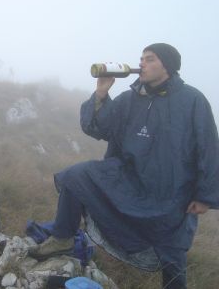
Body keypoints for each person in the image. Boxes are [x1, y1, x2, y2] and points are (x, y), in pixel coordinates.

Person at [30, 43, 219, 288]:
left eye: (150, 59)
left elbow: (209, 148)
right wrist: (100, 93)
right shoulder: (130, 98)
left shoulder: (192, 100)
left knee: (172, 250)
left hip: (171, 190)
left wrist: (205, 195)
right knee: (76, 175)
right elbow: (98, 128)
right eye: (141, 58)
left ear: (168, 66)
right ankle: (62, 236)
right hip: (127, 179)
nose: (142, 63)